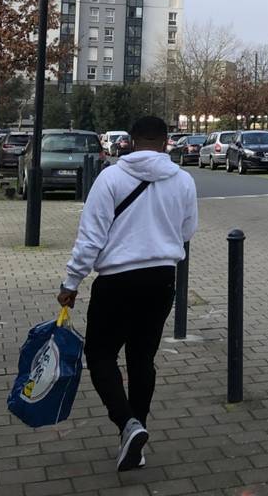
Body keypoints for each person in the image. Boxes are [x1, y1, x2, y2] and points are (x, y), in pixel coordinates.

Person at [56, 116, 197, 472]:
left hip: (117, 281)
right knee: (142, 358)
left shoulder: (111, 178)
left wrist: (71, 283)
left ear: (131, 142)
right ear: (167, 142)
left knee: (101, 354)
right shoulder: (182, 180)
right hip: (162, 279)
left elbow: (90, 238)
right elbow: (187, 230)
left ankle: (127, 424)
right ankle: (136, 433)